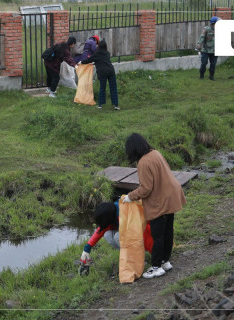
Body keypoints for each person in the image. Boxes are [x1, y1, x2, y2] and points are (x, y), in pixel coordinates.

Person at [123, 133, 186, 279]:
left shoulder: (143, 163)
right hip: (172, 195)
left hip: (160, 201)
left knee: (158, 236)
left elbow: (146, 189)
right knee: (168, 231)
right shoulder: (155, 153)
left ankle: (156, 267)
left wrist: (130, 197)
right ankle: (165, 262)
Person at [80, 201, 153, 267]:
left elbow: (145, 234)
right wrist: (87, 248)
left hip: (148, 233)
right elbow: (101, 230)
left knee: (118, 237)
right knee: (107, 235)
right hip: (135, 236)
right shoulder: (112, 212)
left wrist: (156, 254)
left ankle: (137, 259)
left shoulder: (127, 215)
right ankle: (131, 257)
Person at [79, 39, 119, 110]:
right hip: (111, 71)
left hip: (102, 72)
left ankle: (100, 104)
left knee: (102, 88)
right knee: (113, 88)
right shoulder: (107, 53)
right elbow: (103, 61)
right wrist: (96, 62)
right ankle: (116, 105)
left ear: (99, 45)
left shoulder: (97, 53)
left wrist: (81, 62)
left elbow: (89, 59)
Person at [196, 16, 221, 81]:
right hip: (205, 50)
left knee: (213, 64)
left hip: (215, 50)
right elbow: (202, 37)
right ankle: (201, 76)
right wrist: (199, 45)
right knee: (204, 63)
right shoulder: (206, 29)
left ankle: (211, 76)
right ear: (213, 23)